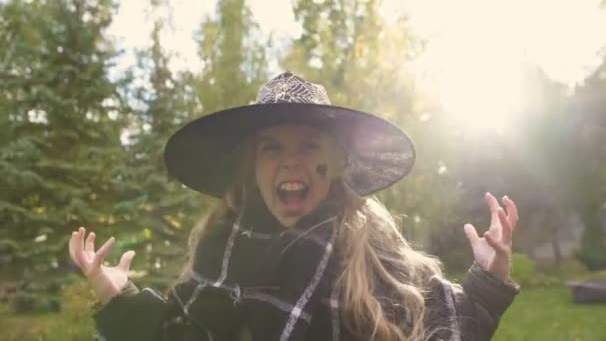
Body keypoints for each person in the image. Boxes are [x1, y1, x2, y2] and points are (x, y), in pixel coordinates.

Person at [69, 72, 519, 341]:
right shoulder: (221, 253)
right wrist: (117, 294)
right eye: (271, 148)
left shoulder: (374, 253)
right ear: (251, 168)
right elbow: (177, 334)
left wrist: (489, 279)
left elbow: (446, 326)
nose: (291, 160)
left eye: (309, 145)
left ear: (336, 164)